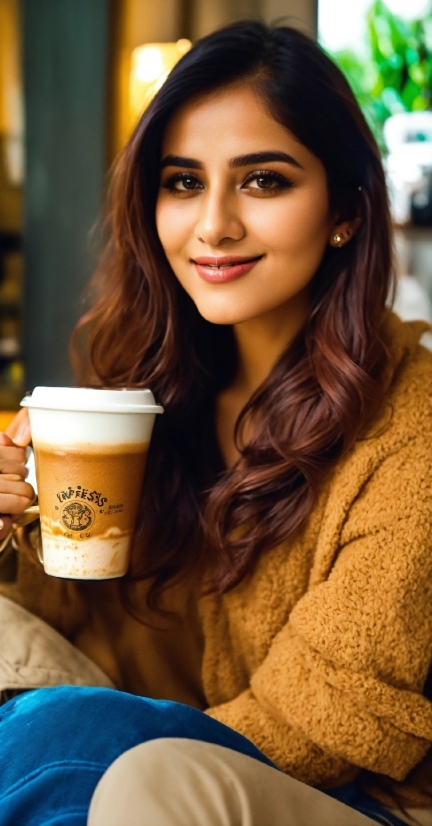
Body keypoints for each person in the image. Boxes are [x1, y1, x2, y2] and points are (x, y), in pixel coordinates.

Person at [0, 19, 430, 826]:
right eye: (184, 181)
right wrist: (15, 529)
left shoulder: (416, 430)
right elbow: (87, 633)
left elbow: (319, 730)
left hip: (360, 803)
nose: (213, 225)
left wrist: (75, 744)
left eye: (264, 181)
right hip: (163, 758)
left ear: (344, 208)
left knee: (139, 777)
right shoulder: (158, 394)